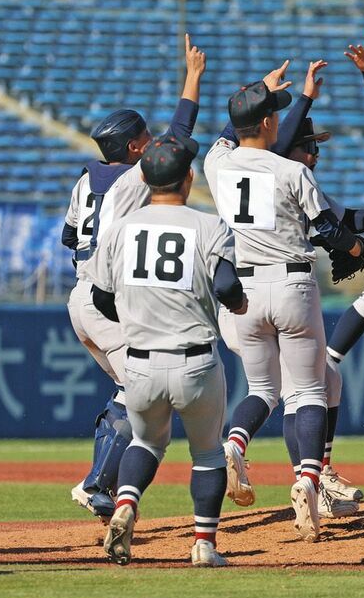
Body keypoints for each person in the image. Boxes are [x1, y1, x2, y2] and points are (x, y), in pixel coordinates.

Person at [204, 67, 364, 542]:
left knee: (261, 389)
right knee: (312, 391)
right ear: (272, 125)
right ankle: (309, 482)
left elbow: (226, 131)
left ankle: (236, 445)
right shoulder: (293, 170)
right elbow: (330, 232)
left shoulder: (218, 164)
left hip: (244, 294)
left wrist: (260, 90)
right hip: (292, 285)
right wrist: (357, 248)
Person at [63, 35, 205, 521]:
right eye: (144, 140)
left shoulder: (86, 181)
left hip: (84, 295)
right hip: (104, 302)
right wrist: (192, 78)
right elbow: (181, 137)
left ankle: (105, 492)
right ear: (132, 147)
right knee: (142, 389)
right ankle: (97, 483)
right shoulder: (129, 180)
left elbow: (69, 238)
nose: (152, 145)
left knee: (135, 388)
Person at [88, 133, 246, 567]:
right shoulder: (209, 225)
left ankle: (126, 505)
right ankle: (203, 545)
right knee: (209, 453)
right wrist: (237, 303)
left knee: (146, 442)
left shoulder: (121, 229)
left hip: (139, 362)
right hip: (194, 360)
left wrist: (135, 314)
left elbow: (102, 298)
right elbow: (228, 284)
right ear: (188, 178)